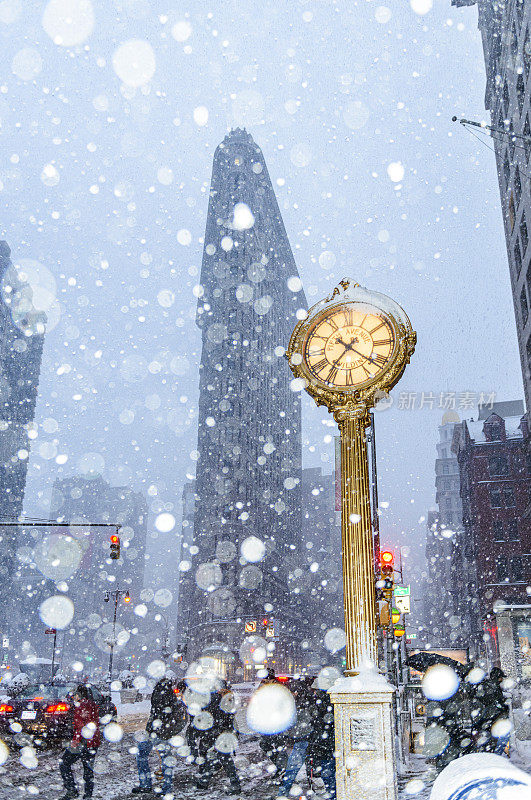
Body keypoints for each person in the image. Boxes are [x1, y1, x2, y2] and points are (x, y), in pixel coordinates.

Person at [133, 676, 188, 796]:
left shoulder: (162, 696)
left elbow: (156, 715)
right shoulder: (171, 699)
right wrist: (170, 731)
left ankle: (147, 784)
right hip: (160, 734)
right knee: (164, 760)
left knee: (144, 756)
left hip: (155, 733)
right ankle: (165, 787)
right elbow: (182, 720)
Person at [188, 681, 241, 794]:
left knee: (224, 759)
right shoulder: (223, 698)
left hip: (219, 734)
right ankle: (205, 781)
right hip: (219, 733)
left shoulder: (217, 699)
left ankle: (234, 785)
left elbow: (215, 717)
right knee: (215, 758)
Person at [58, 684, 101, 800]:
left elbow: (82, 726)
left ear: (79, 695)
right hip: (92, 742)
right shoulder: (91, 704)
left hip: (84, 742)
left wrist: (75, 741)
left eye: (75, 695)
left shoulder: (82, 706)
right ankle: (87, 795)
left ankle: (72, 790)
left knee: (64, 763)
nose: (73, 697)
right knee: (88, 769)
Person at [278, 677, 314, 798]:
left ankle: (283, 792)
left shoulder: (297, 705)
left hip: (302, 739)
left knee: (292, 768)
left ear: (296, 692)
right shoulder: (307, 701)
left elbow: (292, 723)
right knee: (307, 767)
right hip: (309, 738)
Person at [258, 669, 290, 779]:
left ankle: (283, 770)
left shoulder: (276, 687)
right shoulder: (262, 687)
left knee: (279, 747)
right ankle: (280, 766)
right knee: (265, 744)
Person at [306, 687, 336, 800]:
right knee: (329, 773)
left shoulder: (321, 705)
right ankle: (332, 794)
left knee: (328, 773)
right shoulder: (323, 704)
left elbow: (319, 726)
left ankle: (332, 794)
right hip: (326, 745)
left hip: (324, 745)